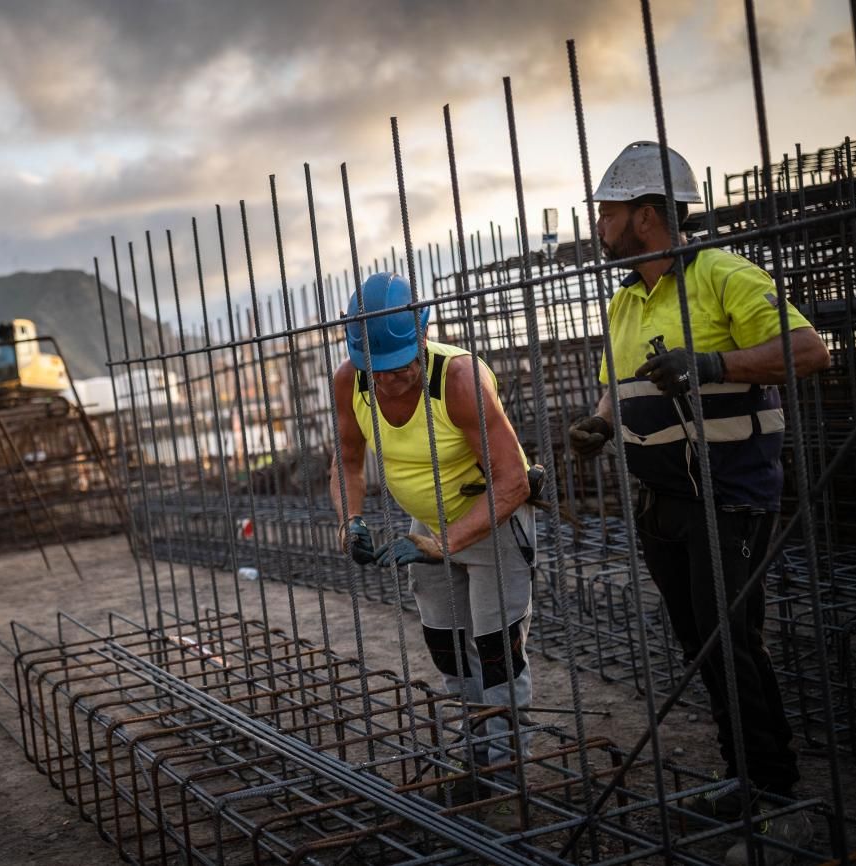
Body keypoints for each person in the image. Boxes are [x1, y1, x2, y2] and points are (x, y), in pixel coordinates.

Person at [568, 141, 830, 865]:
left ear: (649, 217)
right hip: (664, 503)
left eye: (610, 212)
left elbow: (810, 351)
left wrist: (713, 362)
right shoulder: (625, 298)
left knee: (731, 642)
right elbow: (617, 386)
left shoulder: (720, 273)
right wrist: (598, 422)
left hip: (729, 497)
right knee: (700, 645)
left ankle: (782, 804)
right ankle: (743, 777)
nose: (600, 225)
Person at [330, 271, 537, 828]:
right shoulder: (350, 381)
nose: (394, 384)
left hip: (489, 523)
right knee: (448, 648)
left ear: (423, 338)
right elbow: (348, 462)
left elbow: (513, 480)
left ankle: (508, 771)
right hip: (427, 528)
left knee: (496, 652)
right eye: (382, 371)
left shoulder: (460, 378)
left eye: (402, 368)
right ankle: (476, 761)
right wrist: (351, 521)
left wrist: (440, 544)